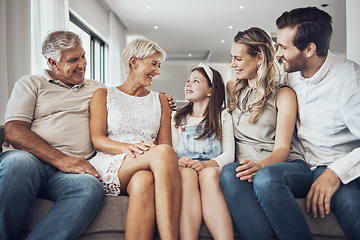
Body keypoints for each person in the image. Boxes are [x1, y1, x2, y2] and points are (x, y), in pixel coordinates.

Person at [252, 7, 360, 240]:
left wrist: (335, 173)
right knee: (266, 179)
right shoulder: (289, 75)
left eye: (283, 47)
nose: (278, 53)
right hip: (300, 166)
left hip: (337, 167)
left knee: (353, 209)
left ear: (309, 49)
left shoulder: (349, 80)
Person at [0, 31, 105, 240]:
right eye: (73, 60)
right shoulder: (31, 84)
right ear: (53, 62)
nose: (82, 64)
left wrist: (162, 105)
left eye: (83, 56)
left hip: (69, 174)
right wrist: (62, 159)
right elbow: (13, 130)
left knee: (90, 187)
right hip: (32, 162)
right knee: (18, 164)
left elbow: (127, 106)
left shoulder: (98, 89)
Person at [88, 37, 181, 240]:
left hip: (147, 161)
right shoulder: (103, 95)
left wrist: (150, 154)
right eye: (154, 64)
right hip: (113, 160)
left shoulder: (162, 100)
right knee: (164, 153)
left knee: (144, 181)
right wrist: (126, 147)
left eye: (159, 65)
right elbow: (97, 139)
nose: (158, 71)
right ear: (134, 62)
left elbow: (165, 144)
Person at [219, 27, 304, 240]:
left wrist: (261, 166)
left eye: (238, 59)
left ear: (259, 58)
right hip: (247, 168)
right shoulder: (232, 88)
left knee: (263, 178)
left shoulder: (283, 94)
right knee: (230, 172)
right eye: (232, 58)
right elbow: (202, 97)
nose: (232, 64)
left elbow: (283, 149)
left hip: (283, 166)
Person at [172, 63, 235, 240]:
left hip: (211, 170)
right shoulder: (177, 118)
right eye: (188, 81)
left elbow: (229, 155)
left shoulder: (223, 117)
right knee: (187, 175)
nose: (188, 84)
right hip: (186, 172)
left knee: (208, 175)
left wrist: (205, 165)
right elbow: (172, 150)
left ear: (210, 91)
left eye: (195, 81)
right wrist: (179, 161)